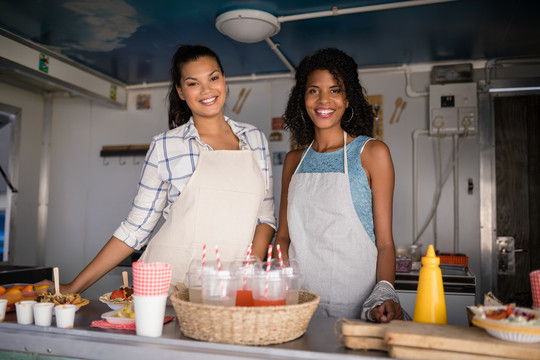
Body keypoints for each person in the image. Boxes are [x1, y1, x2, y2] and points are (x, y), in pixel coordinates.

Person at [56, 45, 276, 294]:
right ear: (181, 92)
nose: (207, 90)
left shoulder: (254, 138)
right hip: (173, 282)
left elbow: (265, 218)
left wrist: (247, 275)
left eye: (213, 78)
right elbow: (135, 229)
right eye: (193, 84)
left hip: (232, 285)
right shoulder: (165, 146)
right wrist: (73, 286)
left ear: (224, 80)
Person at [274, 48, 404, 322]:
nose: (323, 100)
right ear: (303, 98)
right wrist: (281, 281)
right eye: (313, 90)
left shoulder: (371, 153)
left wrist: (385, 293)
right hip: (300, 304)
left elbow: (384, 243)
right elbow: (283, 237)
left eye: (335, 90)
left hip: (357, 304)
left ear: (348, 99)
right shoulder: (293, 161)